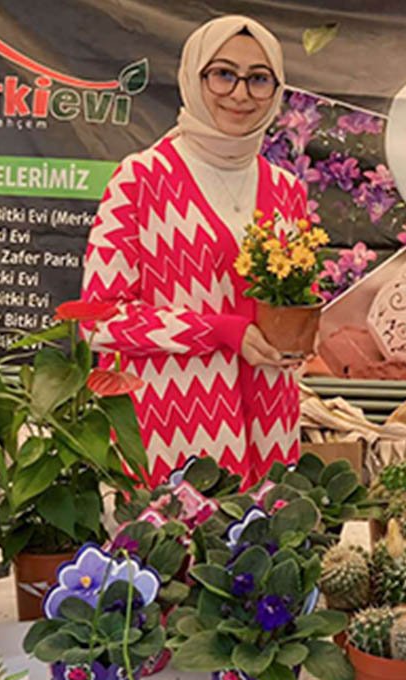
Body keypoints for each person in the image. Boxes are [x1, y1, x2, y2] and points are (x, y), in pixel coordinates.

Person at [80, 15, 309, 489]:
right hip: (174, 429)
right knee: (176, 560)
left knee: (271, 558)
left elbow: (289, 298)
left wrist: (300, 332)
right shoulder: (141, 179)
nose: (240, 94)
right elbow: (98, 321)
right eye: (223, 73)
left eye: (259, 79)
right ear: (193, 75)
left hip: (271, 422)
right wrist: (220, 331)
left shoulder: (287, 189)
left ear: (277, 89)